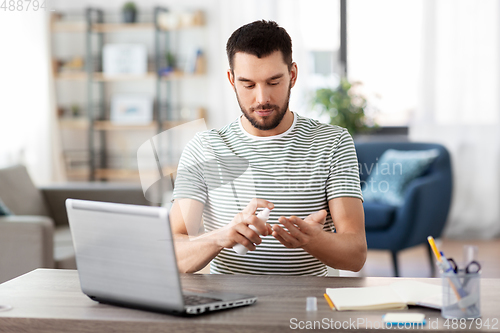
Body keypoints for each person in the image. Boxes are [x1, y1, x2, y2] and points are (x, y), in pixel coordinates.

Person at [170, 20, 366, 276]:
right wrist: (220, 237)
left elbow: (356, 255)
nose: (262, 98)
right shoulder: (204, 147)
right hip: (227, 308)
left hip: (306, 308)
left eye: (273, 82)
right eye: (248, 85)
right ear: (231, 80)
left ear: (292, 75)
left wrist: (313, 240)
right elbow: (172, 254)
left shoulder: (333, 143)